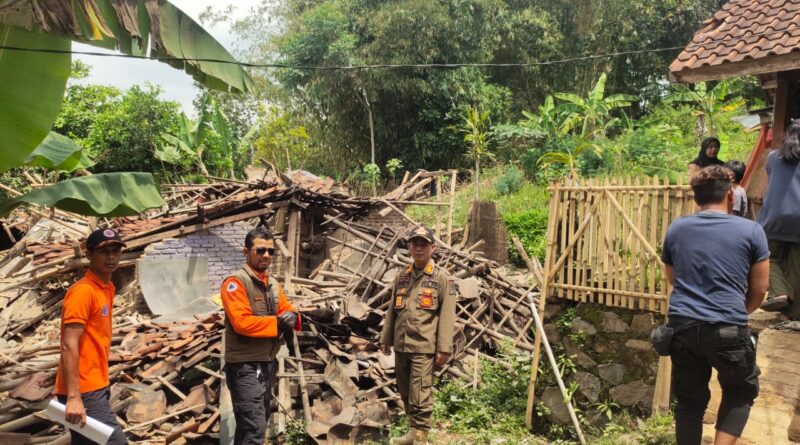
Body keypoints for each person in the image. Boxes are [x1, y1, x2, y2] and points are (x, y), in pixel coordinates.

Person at [661, 165, 769, 445]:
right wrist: (740, 311)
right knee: (740, 392)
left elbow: (674, 278)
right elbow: (760, 288)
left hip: (682, 327)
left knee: (689, 402)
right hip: (729, 329)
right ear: (730, 195)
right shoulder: (752, 231)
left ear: (696, 198)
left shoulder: (677, 229)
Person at [220, 227, 300, 445]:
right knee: (254, 430)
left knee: (252, 427)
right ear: (246, 252)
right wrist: (278, 323)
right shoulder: (235, 283)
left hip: (266, 364)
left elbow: (288, 309)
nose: (266, 255)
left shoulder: (272, 284)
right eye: (260, 250)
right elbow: (242, 323)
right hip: (244, 368)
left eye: (271, 251)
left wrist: (293, 316)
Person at [380, 226, 457, 445]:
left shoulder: (443, 279)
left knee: (420, 392)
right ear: (409, 247)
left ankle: (421, 435)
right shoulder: (402, 276)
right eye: (414, 244)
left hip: (424, 347)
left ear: (433, 247)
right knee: (405, 391)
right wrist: (386, 338)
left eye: (423, 244)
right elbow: (392, 311)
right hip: (402, 346)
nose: (418, 248)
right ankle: (413, 431)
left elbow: (447, 316)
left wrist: (444, 348)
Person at [55, 228, 128, 445]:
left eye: (116, 251)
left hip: (95, 384)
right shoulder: (83, 292)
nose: (111, 257)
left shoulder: (105, 287)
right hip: (84, 390)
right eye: (104, 252)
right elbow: (69, 344)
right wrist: (73, 397)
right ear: (88, 255)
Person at [757, 120, 800, 317]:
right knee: (796, 269)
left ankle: (780, 292)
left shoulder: (773, 157)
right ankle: (794, 316)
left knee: (769, 257)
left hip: (774, 219)